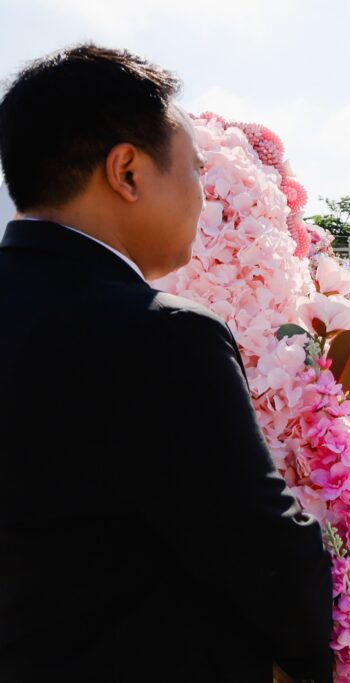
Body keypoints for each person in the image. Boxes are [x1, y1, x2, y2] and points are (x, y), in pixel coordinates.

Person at [0, 45, 332, 681]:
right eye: (196, 172)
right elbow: (264, 556)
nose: (203, 200)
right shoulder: (165, 334)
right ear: (127, 171)